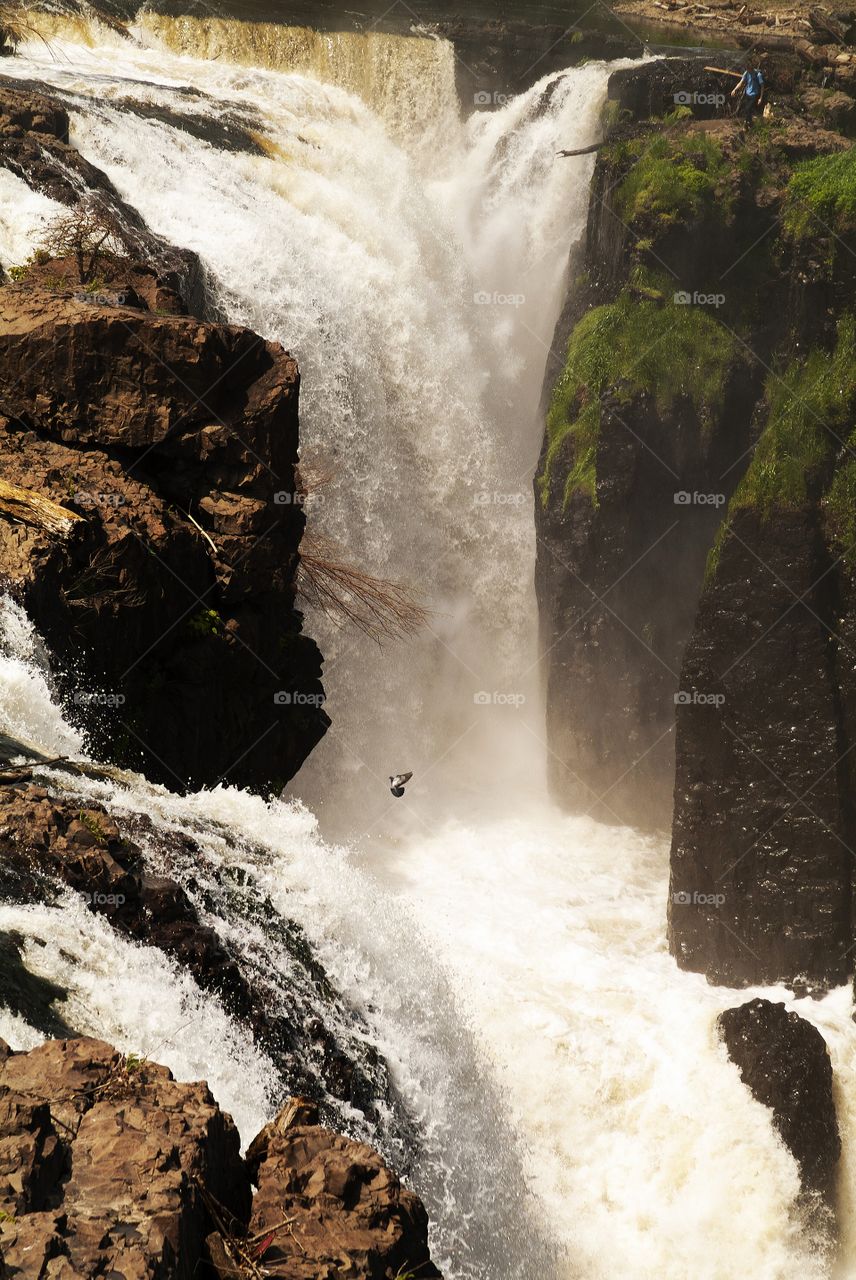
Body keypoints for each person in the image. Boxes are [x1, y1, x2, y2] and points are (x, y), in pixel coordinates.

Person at [732, 61, 765, 126]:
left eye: (749, 69)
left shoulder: (758, 75)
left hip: (754, 95)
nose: (748, 70)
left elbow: (762, 86)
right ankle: (749, 124)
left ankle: (747, 124)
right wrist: (734, 90)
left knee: (748, 109)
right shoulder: (746, 73)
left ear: (752, 68)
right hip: (747, 94)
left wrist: (760, 98)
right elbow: (741, 82)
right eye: (747, 69)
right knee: (747, 110)